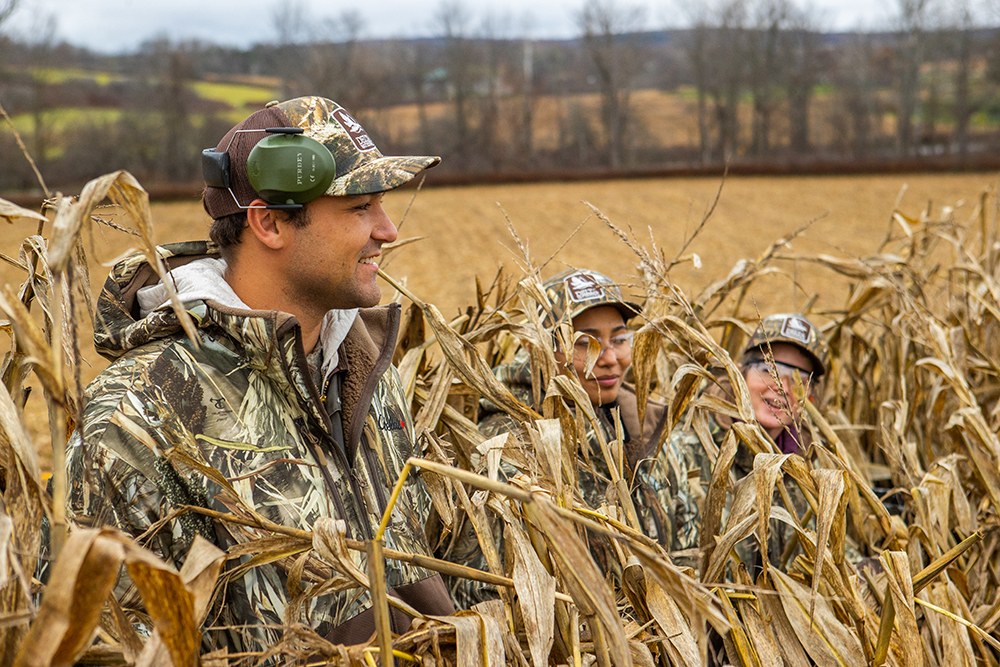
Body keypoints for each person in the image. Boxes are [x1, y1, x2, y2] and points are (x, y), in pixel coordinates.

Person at [59, 96, 454, 652]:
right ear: (268, 223)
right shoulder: (137, 416)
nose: (387, 231)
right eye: (360, 207)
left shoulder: (363, 369)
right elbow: (108, 644)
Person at [444, 269, 686, 607]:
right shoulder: (506, 445)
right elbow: (483, 591)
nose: (610, 359)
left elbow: (688, 550)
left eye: (619, 339)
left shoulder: (650, 426)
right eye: (585, 343)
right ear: (538, 347)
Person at [666, 312, 829, 575]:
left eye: (798, 379)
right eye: (769, 370)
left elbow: (835, 554)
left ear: (810, 395)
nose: (782, 387)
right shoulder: (683, 454)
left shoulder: (811, 469)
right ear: (740, 374)